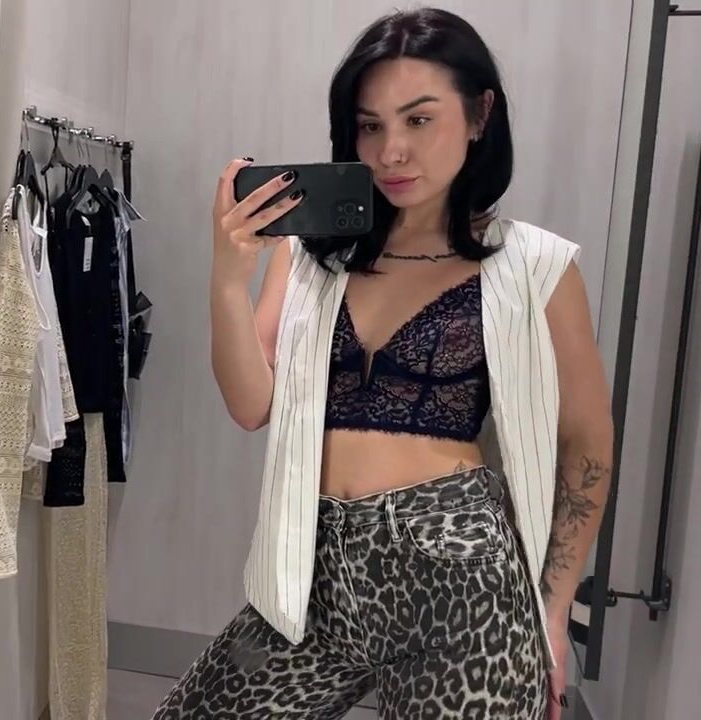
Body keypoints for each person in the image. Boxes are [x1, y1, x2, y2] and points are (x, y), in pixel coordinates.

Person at [154, 8, 614, 720]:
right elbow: (250, 404)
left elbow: (587, 442)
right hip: (311, 576)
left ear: (479, 115)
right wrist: (226, 278)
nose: (392, 151)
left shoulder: (536, 265)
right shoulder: (309, 256)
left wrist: (552, 612)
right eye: (370, 126)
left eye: (419, 119)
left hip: (461, 584)